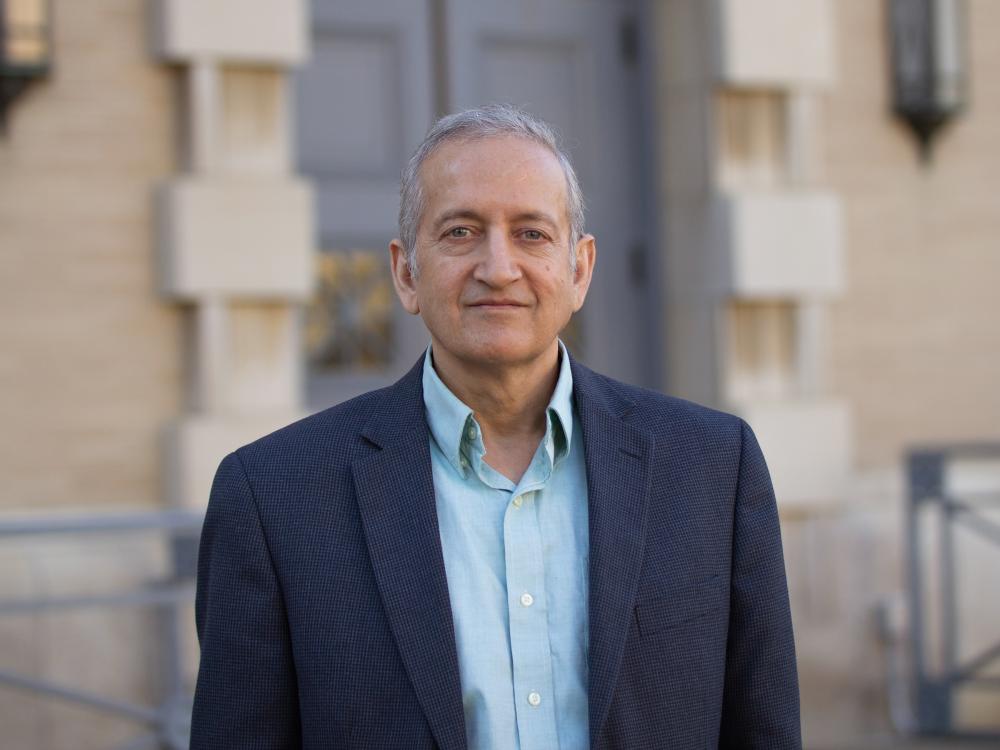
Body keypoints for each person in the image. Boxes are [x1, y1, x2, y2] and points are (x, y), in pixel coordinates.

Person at [190, 104, 801, 750]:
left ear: (580, 270)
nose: (498, 267)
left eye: (532, 233)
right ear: (405, 272)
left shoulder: (711, 468)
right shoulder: (273, 500)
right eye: (460, 232)